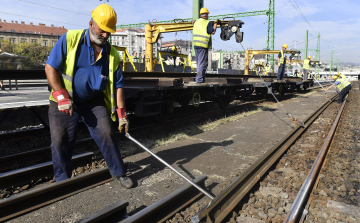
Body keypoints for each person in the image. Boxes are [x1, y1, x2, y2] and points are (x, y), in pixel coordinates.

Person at [44, 4, 133, 188]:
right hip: (64, 99)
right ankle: (62, 183)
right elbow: (50, 67)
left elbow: (118, 86)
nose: (106, 36)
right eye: (102, 30)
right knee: (60, 140)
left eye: (109, 32)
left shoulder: (112, 53)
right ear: (91, 23)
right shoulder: (70, 39)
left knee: (107, 133)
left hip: (92, 101)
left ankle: (119, 173)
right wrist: (61, 97)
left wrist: (122, 115)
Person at [192, 7, 218, 83]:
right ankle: (199, 80)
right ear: (206, 15)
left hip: (196, 45)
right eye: (207, 14)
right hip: (203, 45)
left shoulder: (196, 22)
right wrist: (215, 24)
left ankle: (201, 78)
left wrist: (193, 21)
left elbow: (193, 22)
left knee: (199, 63)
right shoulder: (207, 23)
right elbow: (212, 32)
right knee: (202, 63)